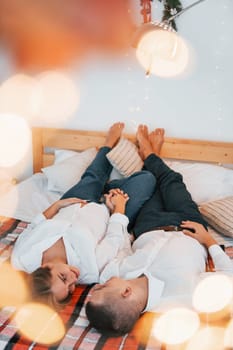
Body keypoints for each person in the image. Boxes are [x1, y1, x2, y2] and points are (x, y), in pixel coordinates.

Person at [85, 125, 233, 336]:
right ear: (126, 292)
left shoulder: (114, 274)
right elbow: (228, 275)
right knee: (172, 181)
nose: (99, 285)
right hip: (188, 224)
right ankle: (151, 153)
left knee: (152, 183)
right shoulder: (186, 298)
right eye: (101, 288)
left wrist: (122, 218)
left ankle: (151, 154)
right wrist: (209, 241)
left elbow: (121, 245)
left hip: (147, 225)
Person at [11, 122, 156, 308]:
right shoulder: (90, 272)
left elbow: (34, 225)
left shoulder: (22, 257)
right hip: (108, 212)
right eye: (71, 288)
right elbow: (113, 239)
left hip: (75, 202)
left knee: (93, 177)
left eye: (63, 278)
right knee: (147, 180)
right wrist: (117, 208)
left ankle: (109, 143)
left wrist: (57, 205)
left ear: (44, 268)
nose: (73, 279)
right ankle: (113, 189)